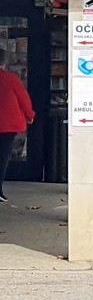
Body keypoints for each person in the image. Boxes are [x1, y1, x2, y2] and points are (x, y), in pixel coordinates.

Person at [0, 48, 35, 203]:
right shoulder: (11, 78)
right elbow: (23, 98)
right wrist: (30, 115)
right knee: (2, 157)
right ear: (4, 62)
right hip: (7, 125)